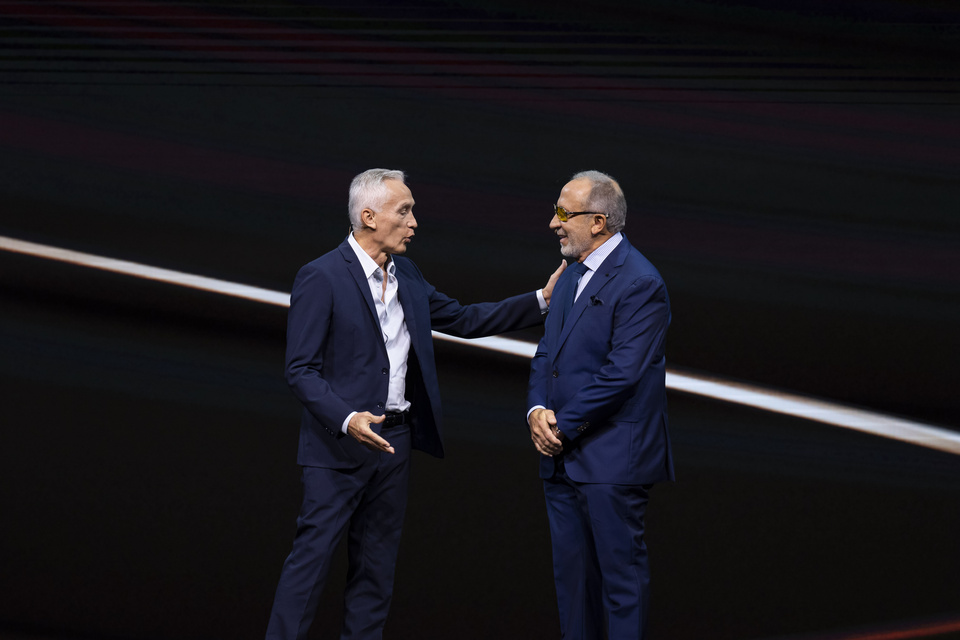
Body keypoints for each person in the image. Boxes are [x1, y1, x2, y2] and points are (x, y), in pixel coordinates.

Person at [266, 168, 564, 640]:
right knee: (310, 566)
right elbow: (300, 370)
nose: (414, 222)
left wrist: (542, 300)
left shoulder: (406, 272)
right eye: (403, 211)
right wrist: (347, 419)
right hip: (338, 449)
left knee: (376, 570)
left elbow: (463, 318)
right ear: (368, 216)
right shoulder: (321, 276)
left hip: (395, 443)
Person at [527, 170, 674, 640]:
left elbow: (621, 374)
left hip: (612, 460)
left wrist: (560, 426)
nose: (553, 222)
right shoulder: (569, 276)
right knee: (573, 585)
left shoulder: (640, 282)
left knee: (620, 585)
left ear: (598, 221)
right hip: (562, 459)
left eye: (563, 213)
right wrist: (535, 412)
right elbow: (546, 354)